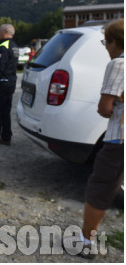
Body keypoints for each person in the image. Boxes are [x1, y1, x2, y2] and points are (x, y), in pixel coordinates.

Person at [77, 18, 124, 259]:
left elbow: (105, 107)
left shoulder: (118, 64)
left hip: (119, 140)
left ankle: (87, 243)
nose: (106, 48)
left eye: (107, 42)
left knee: (100, 188)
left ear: (116, 42)